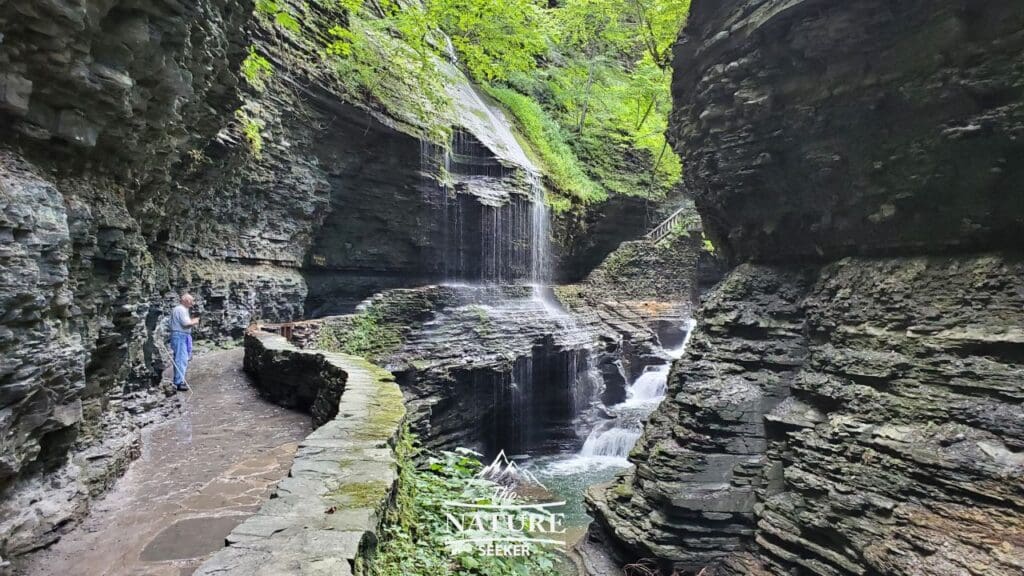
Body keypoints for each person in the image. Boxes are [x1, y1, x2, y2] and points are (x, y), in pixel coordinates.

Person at [169, 294, 199, 391]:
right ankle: (178, 383)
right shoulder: (180, 309)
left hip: (181, 336)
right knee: (181, 359)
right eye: (191, 300)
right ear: (185, 300)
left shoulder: (181, 309)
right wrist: (195, 321)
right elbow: (186, 324)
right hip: (179, 336)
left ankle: (179, 380)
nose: (192, 303)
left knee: (182, 358)